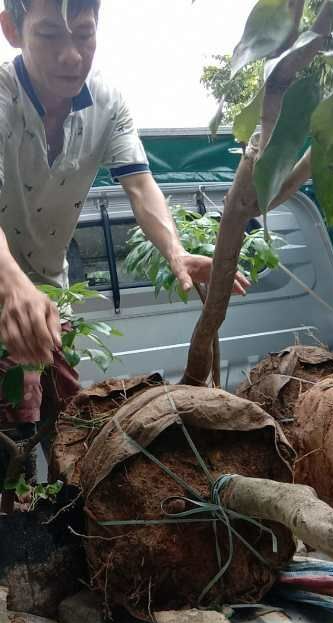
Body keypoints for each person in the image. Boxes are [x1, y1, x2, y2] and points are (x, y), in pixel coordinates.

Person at [0, 0, 250, 431]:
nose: (71, 55)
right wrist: (11, 286)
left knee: (67, 423)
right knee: (13, 424)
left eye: (83, 34)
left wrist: (175, 251)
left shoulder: (108, 102)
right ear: (12, 30)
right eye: (49, 35)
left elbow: (140, 185)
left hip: (52, 290)